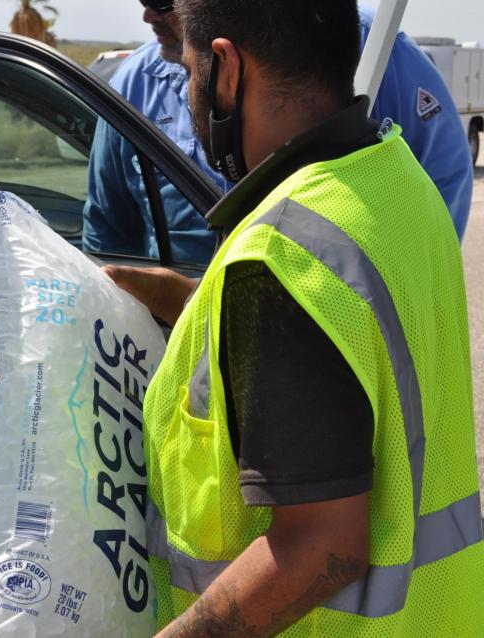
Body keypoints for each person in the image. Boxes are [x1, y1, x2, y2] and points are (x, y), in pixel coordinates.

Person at [122, 1, 484, 636]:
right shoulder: (395, 178)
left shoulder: (283, 257)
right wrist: (181, 297)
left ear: (227, 70)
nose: (187, 91)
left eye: (188, 70)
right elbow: (345, 349)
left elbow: (324, 547)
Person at [83, 0, 474, 264]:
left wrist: (391, 297)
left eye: (165, 0)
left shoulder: (371, 50)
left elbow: (440, 178)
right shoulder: (134, 85)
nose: (149, 15)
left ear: (229, 67)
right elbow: (108, 225)